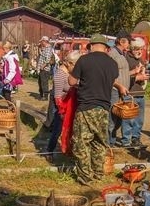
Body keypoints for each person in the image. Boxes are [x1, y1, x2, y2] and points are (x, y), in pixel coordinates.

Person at [68, 33, 128, 185]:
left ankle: (85, 176)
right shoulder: (112, 63)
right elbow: (111, 79)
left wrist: (75, 76)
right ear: (106, 48)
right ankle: (98, 173)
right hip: (103, 108)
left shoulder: (84, 60)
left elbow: (71, 81)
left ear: (91, 46)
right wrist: (120, 85)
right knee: (99, 142)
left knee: (81, 142)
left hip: (86, 107)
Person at [45, 50, 80, 161]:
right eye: (76, 65)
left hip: (69, 104)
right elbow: (57, 96)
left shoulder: (70, 73)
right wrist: (61, 111)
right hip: (60, 106)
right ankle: (49, 151)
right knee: (57, 130)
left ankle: (69, 150)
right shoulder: (60, 74)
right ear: (69, 63)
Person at [107, 33, 131, 146]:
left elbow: (122, 73)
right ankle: (108, 144)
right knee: (111, 120)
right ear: (121, 42)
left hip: (122, 92)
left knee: (119, 120)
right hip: (114, 91)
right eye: (128, 42)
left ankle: (111, 141)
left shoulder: (122, 54)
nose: (129, 44)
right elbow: (109, 76)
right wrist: (120, 86)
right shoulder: (113, 54)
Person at [125, 37, 149, 147]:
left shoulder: (141, 60)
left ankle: (136, 139)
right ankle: (126, 141)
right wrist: (137, 77)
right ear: (132, 48)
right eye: (137, 49)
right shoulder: (126, 59)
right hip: (130, 93)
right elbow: (123, 76)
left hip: (140, 93)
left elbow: (144, 76)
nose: (139, 51)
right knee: (129, 119)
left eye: (141, 49)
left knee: (139, 120)